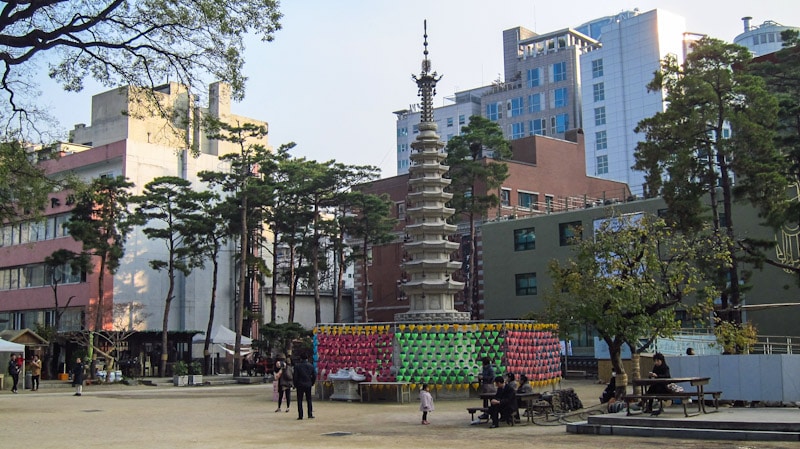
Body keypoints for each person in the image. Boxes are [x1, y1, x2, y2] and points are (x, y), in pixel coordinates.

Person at [293, 353, 316, 420]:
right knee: (309, 399)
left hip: (300, 384)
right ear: (307, 358)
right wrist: (312, 382)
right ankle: (310, 414)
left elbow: (295, 376)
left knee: (300, 400)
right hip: (308, 384)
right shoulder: (310, 366)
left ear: (301, 358)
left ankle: (300, 415)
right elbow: (314, 375)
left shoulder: (297, 366)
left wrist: (295, 384)